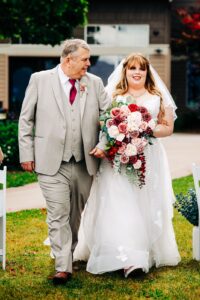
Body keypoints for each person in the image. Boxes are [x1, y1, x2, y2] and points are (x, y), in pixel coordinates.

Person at [74, 53, 181, 277]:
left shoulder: (157, 97)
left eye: (141, 68)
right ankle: (124, 257)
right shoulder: (114, 95)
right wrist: (118, 132)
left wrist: (143, 127)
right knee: (117, 201)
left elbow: (167, 128)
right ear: (125, 71)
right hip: (116, 159)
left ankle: (140, 252)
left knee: (144, 203)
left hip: (147, 156)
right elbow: (102, 123)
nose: (137, 72)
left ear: (147, 72)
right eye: (132, 68)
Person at [18, 39, 110, 284]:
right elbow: (26, 119)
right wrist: (26, 154)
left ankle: (68, 254)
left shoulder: (95, 83)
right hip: (50, 161)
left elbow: (109, 118)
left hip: (84, 162)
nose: (89, 64)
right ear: (68, 60)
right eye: (85, 59)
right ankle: (63, 266)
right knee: (58, 213)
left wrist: (103, 145)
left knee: (74, 216)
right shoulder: (40, 80)